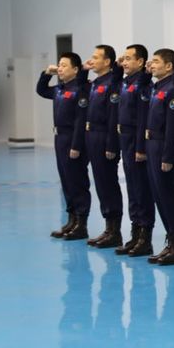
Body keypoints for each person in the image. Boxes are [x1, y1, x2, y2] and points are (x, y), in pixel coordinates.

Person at [36, 52, 91, 240]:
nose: (60, 68)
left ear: (75, 70)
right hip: (59, 139)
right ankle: (71, 219)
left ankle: (81, 224)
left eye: (64, 65)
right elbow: (41, 90)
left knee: (77, 181)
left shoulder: (80, 89)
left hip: (73, 140)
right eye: (59, 65)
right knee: (66, 181)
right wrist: (47, 73)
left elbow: (80, 120)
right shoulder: (60, 89)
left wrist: (76, 146)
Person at [143, 48, 174, 266]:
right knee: (158, 196)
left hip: (163, 146)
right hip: (151, 144)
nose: (152, 65)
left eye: (156, 62)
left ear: (169, 66)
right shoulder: (155, 88)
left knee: (168, 196)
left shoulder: (173, 92)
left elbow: (173, 128)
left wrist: (168, 155)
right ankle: (170, 243)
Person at [113, 44, 156, 257]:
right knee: (132, 189)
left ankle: (144, 238)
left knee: (141, 189)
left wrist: (140, 147)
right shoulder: (125, 83)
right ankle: (135, 232)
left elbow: (142, 118)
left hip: (135, 140)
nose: (124, 62)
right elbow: (113, 79)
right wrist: (117, 65)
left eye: (129, 58)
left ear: (140, 62)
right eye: (124, 58)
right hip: (125, 138)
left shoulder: (143, 85)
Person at [83, 45, 125, 248]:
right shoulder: (96, 83)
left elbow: (112, 117)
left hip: (104, 136)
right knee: (100, 182)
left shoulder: (112, 84)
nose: (91, 61)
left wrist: (111, 143)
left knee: (108, 183)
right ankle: (108, 227)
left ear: (107, 62)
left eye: (95, 57)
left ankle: (114, 230)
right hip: (92, 134)